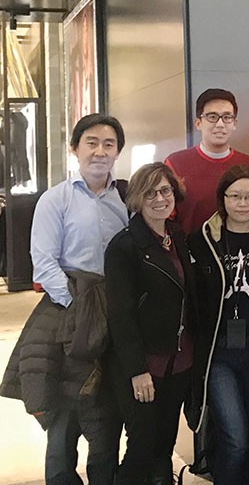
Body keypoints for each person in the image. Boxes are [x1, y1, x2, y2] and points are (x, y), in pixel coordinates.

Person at [1, 113, 126, 484]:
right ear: (75, 149)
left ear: (118, 151)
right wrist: (78, 310)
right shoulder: (56, 200)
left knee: (104, 416)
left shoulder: (125, 200)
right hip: (66, 309)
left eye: (108, 144)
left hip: (113, 310)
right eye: (92, 142)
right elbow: (44, 263)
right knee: (63, 422)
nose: (100, 151)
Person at [186, 165, 249, 484]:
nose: (243, 203)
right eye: (235, 196)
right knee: (235, 438)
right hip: (220, 354)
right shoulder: (202, 240)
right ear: (223, 198)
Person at [104, 163, 196, 484]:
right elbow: (121, 314)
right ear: (137, 199)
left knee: (165, 444)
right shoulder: (124, 246)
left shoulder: (177, 236)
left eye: (166, 190)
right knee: (141, 447)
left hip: (179, 361)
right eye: (150, 192)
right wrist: (136, 370)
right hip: (145, 366)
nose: (160, 198)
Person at [165, 88, 249, 235]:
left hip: (238, 253)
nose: (220, 124)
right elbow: (165, 217)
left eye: (227, 117)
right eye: (212, 116)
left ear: (234, 123)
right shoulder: (175, 163)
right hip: (189, 253)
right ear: (198, 123)